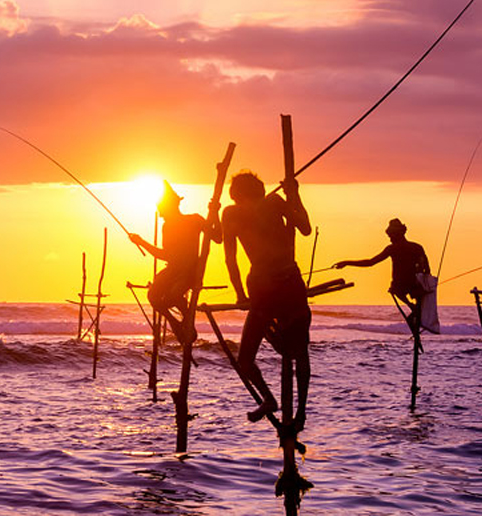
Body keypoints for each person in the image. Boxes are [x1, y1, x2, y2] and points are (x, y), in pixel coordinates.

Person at [222, 171, 312, 429]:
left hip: (272, 287)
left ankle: (288, 408)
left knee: (249, 358)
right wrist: (294, 196)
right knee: (297, 354)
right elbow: (305, 227)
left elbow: (230, 258)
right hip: (278, 286)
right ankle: (293, 411)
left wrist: (293, 196)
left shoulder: (236, 212)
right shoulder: (268, 205)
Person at [129, 182, 221, 344]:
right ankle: (175, 322)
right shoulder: (167, 226)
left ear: (171, 206)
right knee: (153, 296)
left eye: (162, 208)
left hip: (189, 271)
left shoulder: (194, 220)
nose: (160, 213)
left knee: (173, 295)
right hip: (173, 270)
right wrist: (140, 242)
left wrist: (216, 213)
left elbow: (218, 238)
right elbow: (166, 255)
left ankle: (186, 318)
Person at [333, 218, 431, 331]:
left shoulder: (393, 248)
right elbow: (427, 269)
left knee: (395, 290)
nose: (390, 239)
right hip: (416, 285)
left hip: (402, 285)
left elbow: (370, 262)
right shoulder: (417, 247)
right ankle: (415, 308)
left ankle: (412, 307)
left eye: (391, 236)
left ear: (397, 234)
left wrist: (347, 262)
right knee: (402, 292)